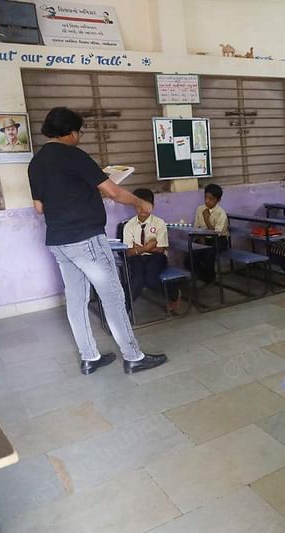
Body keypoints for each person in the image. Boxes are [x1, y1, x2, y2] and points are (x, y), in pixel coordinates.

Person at [28, 107, 166, 375]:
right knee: (113, 296)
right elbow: (113, 192)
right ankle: (133, 356)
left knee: (76, 299)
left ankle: (89, 357)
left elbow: (39, 208)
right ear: (70, 132)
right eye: (78, 132)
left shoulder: (36, 163)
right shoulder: (74, 156)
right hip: (86, 238)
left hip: (58, 241)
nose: (79, 137)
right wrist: (140, 201)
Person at [122, 188, 181, 313]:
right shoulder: (129, 226)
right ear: (134, 206)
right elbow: (128, 252)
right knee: (137, 279)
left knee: (151, 279)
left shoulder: (159, 223)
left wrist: (138, 248)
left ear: (153, 206)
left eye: (146, 206)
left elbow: (160, 249)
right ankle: (123, 312)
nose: (143, 209)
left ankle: (174, 293)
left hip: (157, 257)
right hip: (137, 257)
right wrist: (146, 247)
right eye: (139, 205)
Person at [192, 183, 229, 283]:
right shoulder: (200, 209)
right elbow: (196, 227)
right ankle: (204, 276)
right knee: (190, 256)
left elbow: (217, 233)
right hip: (203, 237)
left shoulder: (221, 213)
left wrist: (207, 219)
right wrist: (200, 237)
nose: (207, 201)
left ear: (218, 200)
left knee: (208, 253)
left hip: (219, 240)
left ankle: (210, 277)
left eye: (211, 199)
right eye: (205, 198)